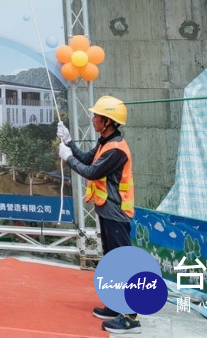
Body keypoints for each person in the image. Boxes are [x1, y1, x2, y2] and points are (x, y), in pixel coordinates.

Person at [57, 96, 137, 335]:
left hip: (116, 213)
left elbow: (91, 171)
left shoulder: (116, 149)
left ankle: (131, 316)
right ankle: (116, 305)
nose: (92, 119)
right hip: (107, 211)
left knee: (122, 263)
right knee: (112, 260)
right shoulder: (106, 142)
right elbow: (86, 159)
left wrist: (67, 158)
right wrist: (69, 143)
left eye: (96, 116)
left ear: (108, 121)